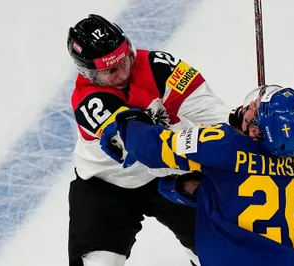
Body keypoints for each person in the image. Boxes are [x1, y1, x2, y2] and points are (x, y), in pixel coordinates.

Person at [67, 14, 230, 266]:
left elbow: (209, 112)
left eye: (125, 60)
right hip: (106, 187)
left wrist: (242, 135)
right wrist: (207, 158)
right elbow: (144, 148)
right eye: (110, 70)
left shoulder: (160, 66)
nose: (122, 72)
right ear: (89, 73)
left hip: (168, 175)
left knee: (218, 255)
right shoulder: (90, 101)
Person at [100, 85, 294, 266]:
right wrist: (199, 192)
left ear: (256, 131)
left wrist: (128, 124)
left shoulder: (224, 143)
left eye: (254, 108)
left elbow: (152, 147)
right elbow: (249, 188)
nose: (248, 106)